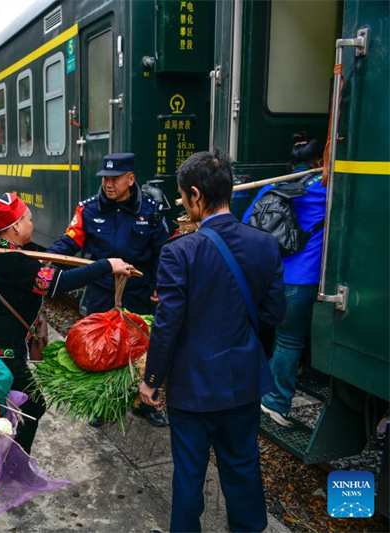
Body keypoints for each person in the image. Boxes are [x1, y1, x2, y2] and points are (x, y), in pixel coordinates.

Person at [139, 151, 285, 533]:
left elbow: (167, 325)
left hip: (194, 387)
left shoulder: (179, 251)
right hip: (242, 382)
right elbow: (272, 315)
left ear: (195, 196)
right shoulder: (265, 244)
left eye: (183, 198)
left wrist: (151, 379)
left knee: (189, 475)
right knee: (243, 466)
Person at [0, 193, 136, 453]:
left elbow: (24, 277)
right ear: (15, 226)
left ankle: (0, 450)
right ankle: (15, 460)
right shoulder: (18, 264)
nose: (32, 224)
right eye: (29, 219)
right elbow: (59, 283)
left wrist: (38, 265)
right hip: (3, 357)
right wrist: (107, 265)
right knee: (35, 406)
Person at [47, 153, 170, 427]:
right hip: (103, 292)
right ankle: (102, 404)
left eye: (115, 178)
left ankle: (143, 403)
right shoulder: (89, 210)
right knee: (101, 347)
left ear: (131, 179)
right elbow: (69, 241)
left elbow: (163, 250)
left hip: (137, 292)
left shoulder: (151, 210)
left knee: (141, 349)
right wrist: (45, 259)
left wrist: (161, 285)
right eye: (105, 179)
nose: (108, 184)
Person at [242, 133, 326, 427]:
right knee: (290, 341)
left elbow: (246, 225)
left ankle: (259, 386)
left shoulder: (272, 186)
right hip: (303, 280)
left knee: (274, 337)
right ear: (320, 161)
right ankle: (275, 401)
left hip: (271, 277)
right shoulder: (326, 192)